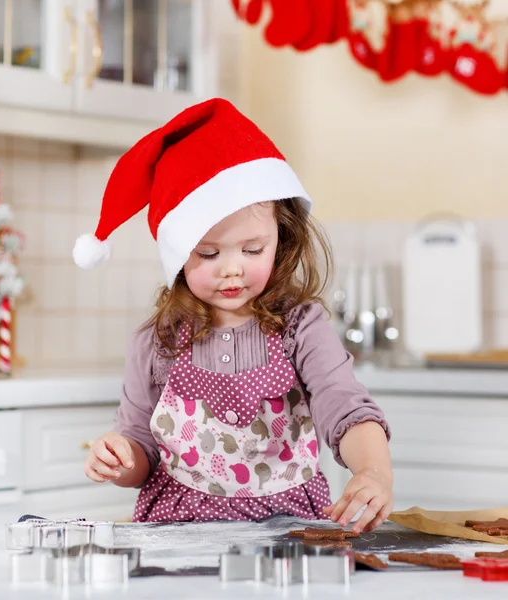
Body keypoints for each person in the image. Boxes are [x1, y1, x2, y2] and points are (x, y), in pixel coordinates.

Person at [73, 98, 393, 532]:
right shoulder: (157, 340)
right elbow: (141, 451)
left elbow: (345, 406)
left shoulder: (301, 328)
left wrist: (372, 471)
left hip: (287, 530)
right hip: (177, 534)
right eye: (208, 253)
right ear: (178, 256)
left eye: (252, 249)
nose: (232, 269)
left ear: (281, 238)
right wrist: (119, 457)